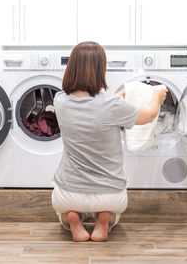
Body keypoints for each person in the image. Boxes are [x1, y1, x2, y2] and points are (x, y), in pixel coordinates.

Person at [51, 41, 168, 242]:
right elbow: (148, 115)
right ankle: (104, 218)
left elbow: (89, 108)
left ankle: (72, 217)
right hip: (111, 195)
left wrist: (115, 100)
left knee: (63, 211)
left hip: (68, 193)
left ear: (71, 68)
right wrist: (157, 96)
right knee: (113, 211)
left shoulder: (60, 101)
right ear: (100, 70)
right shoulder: (113, 106)